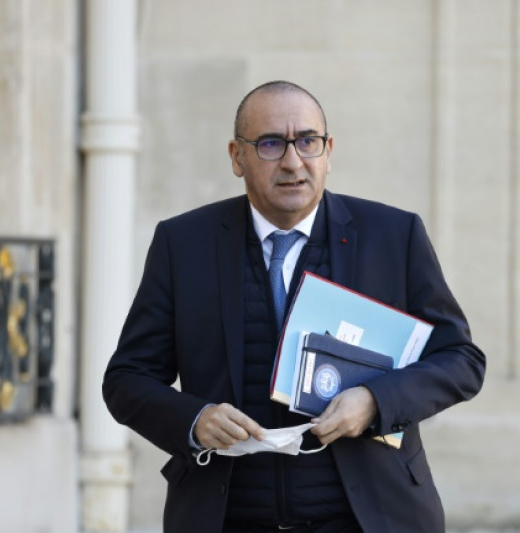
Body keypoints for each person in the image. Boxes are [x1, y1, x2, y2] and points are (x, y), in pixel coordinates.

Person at [103, 80, 486, 533]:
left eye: (307, 141)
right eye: (270, 144)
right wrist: (194, 420)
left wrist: (375, 401)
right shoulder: (183, 244)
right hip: (229, 517)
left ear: (328, 151)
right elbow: (127, 379)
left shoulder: (393, 236)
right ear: (236, 156)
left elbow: (462, 360)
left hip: (369, 517)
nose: (292, 161)